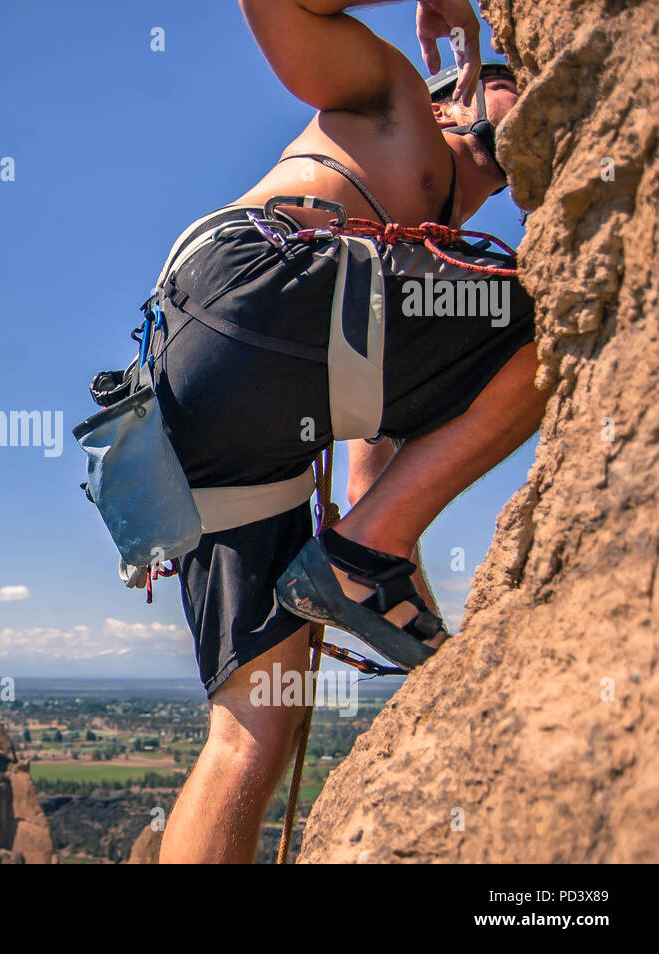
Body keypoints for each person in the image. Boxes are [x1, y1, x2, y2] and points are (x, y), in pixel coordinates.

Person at [152, 0, 549, 863]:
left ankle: (351, 567)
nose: (540, 103)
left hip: (213, 401)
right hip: (251, 289)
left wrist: (409, 621)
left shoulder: (427, 283)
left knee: (254, 732)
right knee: (559, 313)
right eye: (518, 82)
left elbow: (373, 488)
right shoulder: (391, 95)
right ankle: (353, 563)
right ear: (455, 98)